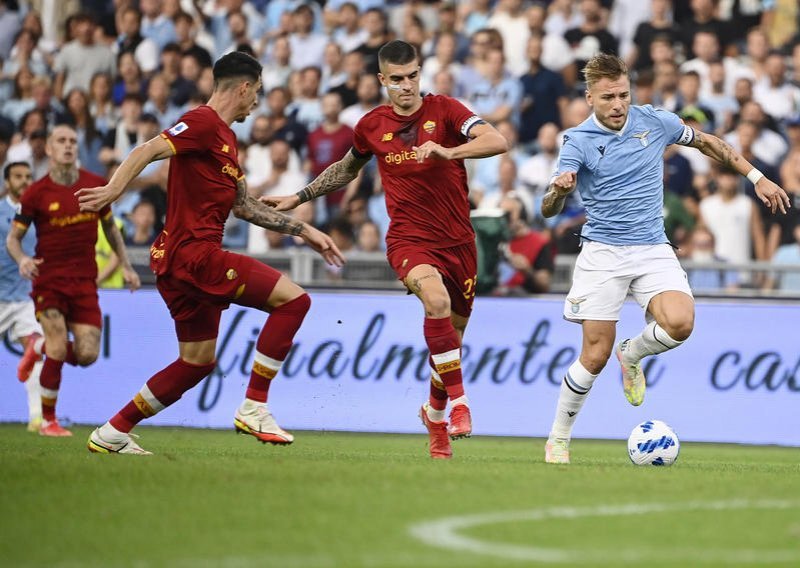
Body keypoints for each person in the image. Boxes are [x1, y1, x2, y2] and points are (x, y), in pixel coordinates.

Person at [76, 51, 344, 455]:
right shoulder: (201, 123)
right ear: (245, 87)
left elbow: (243, 206)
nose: (256, 103)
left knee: (197, 362)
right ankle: (255, 405)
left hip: (177, 264)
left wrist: (304, 229)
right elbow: (147, 149)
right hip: (194, 256)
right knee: (294, 301)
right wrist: (114, 190)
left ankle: (113, 431)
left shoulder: (227, 139)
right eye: (257, 94)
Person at [540, 53, 790, 465]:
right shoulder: (577, 141)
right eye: (608, 97)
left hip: (652, 247)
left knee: (681, 322)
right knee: (594, 356)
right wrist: (559, 191)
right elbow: (548, 209)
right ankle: (559, 437)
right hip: (603, 253)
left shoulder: (654, 120)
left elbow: (710, 142)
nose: (618, 104)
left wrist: (757, 178)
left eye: (623, 94)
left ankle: (633, 353)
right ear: (590, 98)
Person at [264, 40, 508, 459]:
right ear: (382, 80)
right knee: (435, 301)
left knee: (451, 338)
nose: (407, 85)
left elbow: (497, 140)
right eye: (397, 79)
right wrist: (300, 197)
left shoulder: (447, 110)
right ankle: (461, 405)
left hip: (459, 242)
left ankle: (434, 416)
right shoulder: (371, 126)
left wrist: (449, 151)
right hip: (408, 240)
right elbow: (345, 169)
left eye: (413, 75)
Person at [6, 125, 141, 437]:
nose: (68, 146)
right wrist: (23, 259)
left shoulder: (95, 186)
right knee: (57, 346)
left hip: (84, 283)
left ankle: (35, 346)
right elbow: (14, 240)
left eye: (72, 141)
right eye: (61, 141)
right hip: (49, 281)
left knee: (87, 354)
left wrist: (127, 265)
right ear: (50, 150)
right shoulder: (36, 193)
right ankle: (48, 421)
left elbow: (110, 229)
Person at [0, 162, 43, 432]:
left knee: (36, 349)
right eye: (18, 177)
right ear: (7, 182)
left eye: (28, 176)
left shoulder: (38, 214)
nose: (25, 181)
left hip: (26, 297)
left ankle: (37, 418)